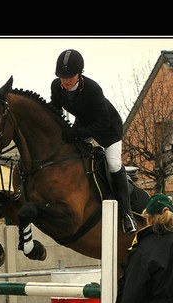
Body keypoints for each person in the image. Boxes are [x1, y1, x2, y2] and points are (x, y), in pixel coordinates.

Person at [49, 49, 137, 236]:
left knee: (113, 164)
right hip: (83, 125)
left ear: (79, 73)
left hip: (108, 130)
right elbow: (55, 112)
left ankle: (127, 215)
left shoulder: (93, 89)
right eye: (62, 77)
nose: (65, 82)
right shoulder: (57, 87)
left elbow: (102, 122)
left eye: (69, 77)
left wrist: (77, 133)